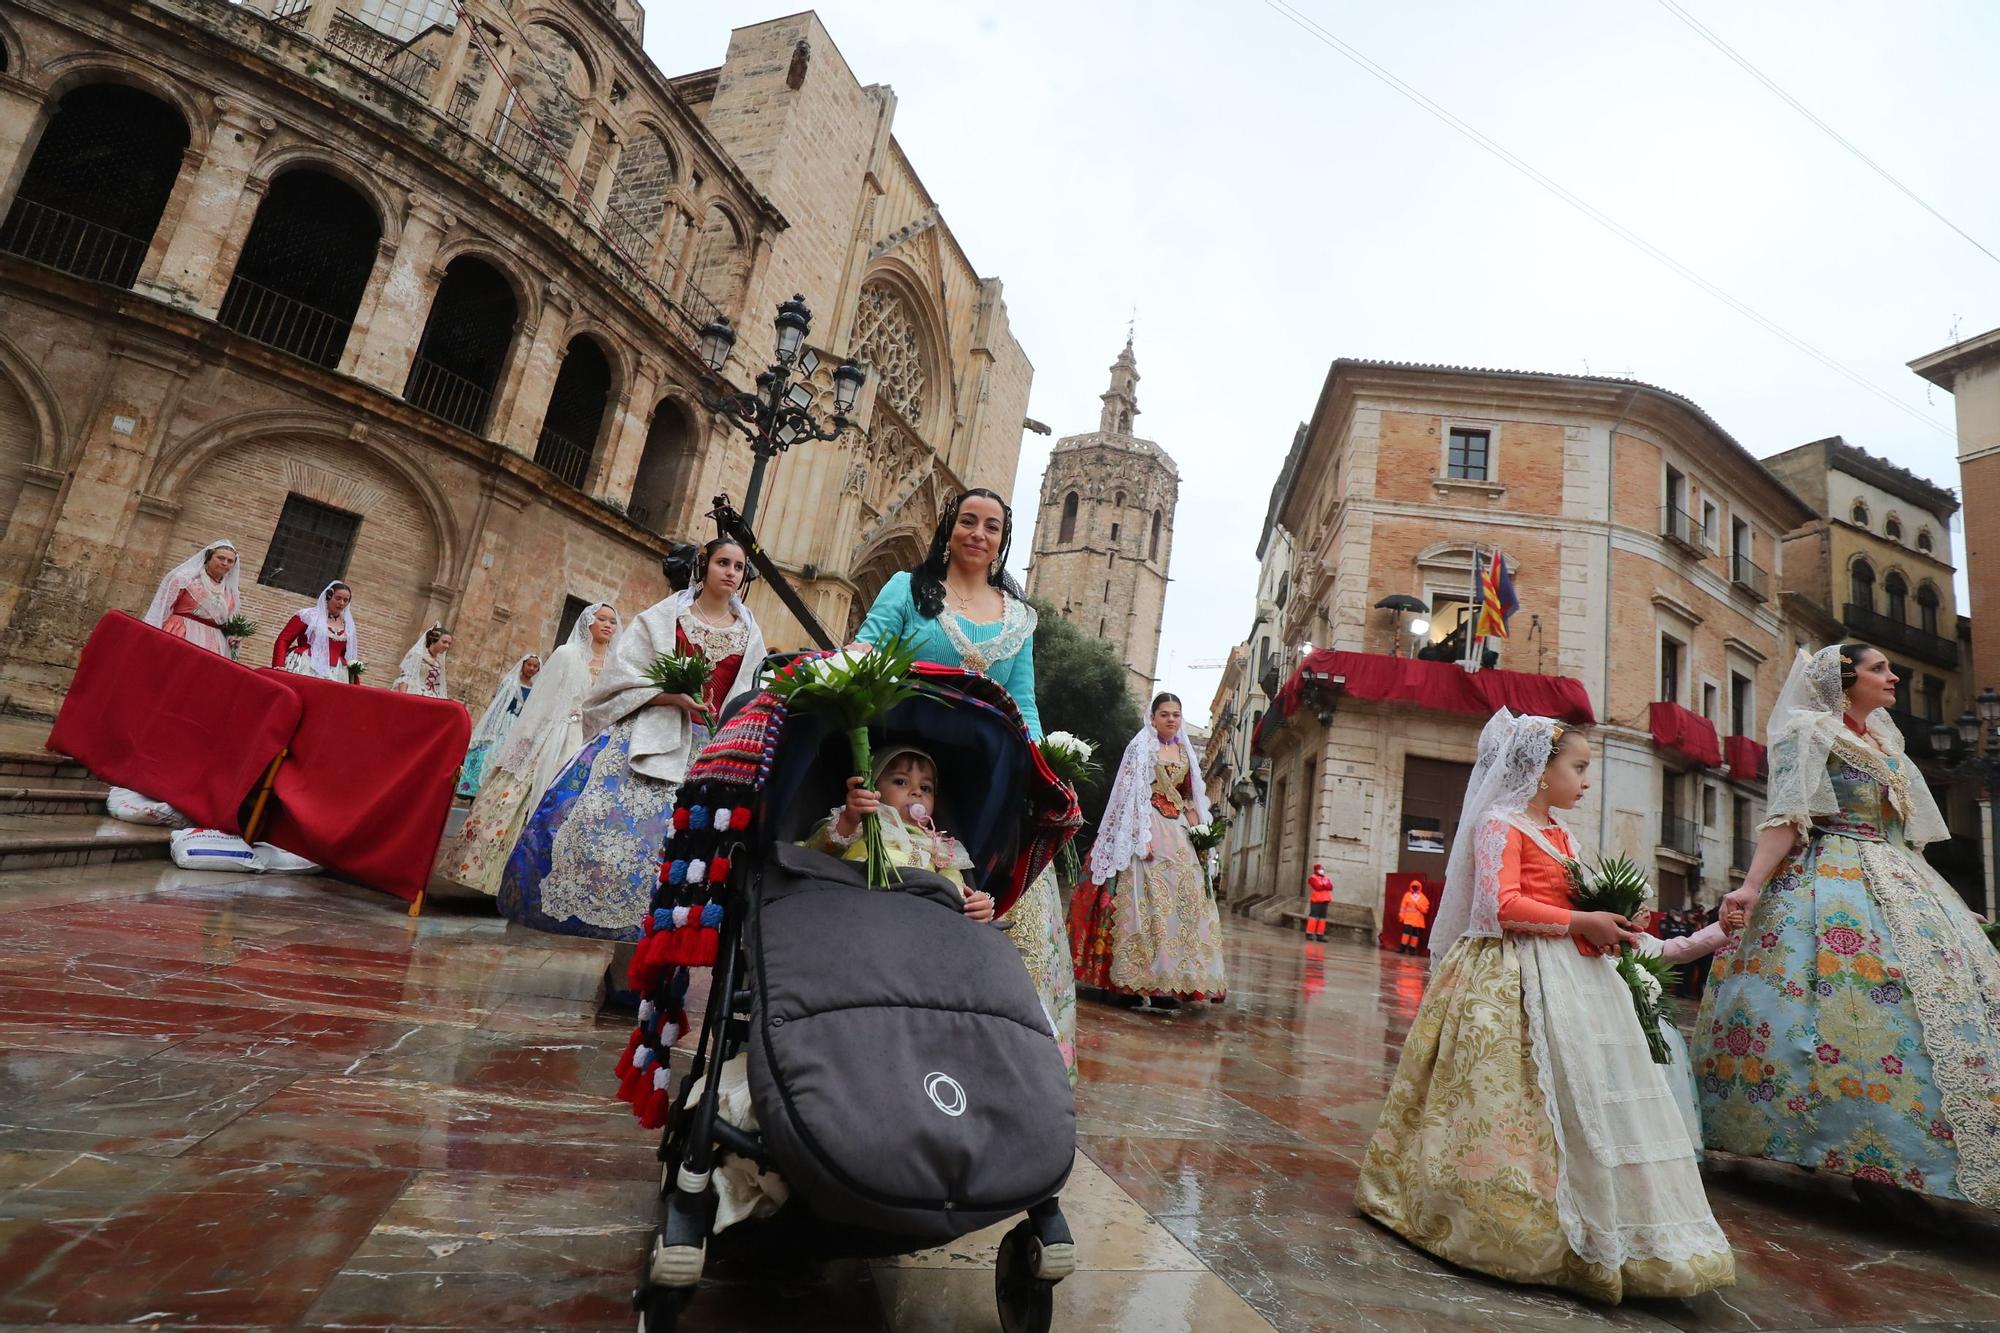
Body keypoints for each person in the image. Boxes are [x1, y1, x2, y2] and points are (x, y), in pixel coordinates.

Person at [1356, 710, 1735, 1303]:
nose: (1586, 781)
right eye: (1579, 768)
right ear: (1539, 772)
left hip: (1576, 977)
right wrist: (1581, 919)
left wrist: (1679, 930)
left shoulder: (1562, 836)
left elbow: (1578, 904)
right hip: (1509, 974)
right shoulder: (1499, 825)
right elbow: (1499, 905)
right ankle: (1510, 1220)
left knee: (1584, 1098)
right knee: (1510, 1094)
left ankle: (1613, 1226)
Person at [1700, 643, 2000, 1210]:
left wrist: (1950, 905)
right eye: (1879, 669)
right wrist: (1750, 886)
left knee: (1920, 1015)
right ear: (1845, 680)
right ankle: (1861, 1156)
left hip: (1898, 875)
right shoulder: (1809, 732)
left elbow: (1905, 835)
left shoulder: (1886, 742)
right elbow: (1788, 816)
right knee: (1849, 1010)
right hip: (1828, 877)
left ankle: (1917, 1158)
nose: (1894, 676)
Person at [849, 488, 1076, 1078]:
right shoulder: (907, 587)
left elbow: (1022, 702)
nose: (979, 533)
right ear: (949, 528)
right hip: (901, 762)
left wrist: (1042, 768)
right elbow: (866, 649)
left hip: (979, 782)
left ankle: (1001, 1051)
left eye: (992, 526)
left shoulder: (1019, 616)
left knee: (995, 894)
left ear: (1004, 539)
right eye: (968, 522)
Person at [501, 540, 765, 942]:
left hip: (710, 754)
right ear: (704, 566)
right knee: (622, 848)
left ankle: (649, 970)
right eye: (722, 563)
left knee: (684, 863)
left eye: (739, 567)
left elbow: (752, 695)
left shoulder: (750, 633)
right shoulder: (663, 619)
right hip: (648, 738)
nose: (731, 572)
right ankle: (622, 960)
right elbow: (619, 679)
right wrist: (668, 696)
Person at [435, 604, 617, 896]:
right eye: (603, 619)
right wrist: (526, 740)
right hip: (553, 736)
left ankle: (544, 886)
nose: (609, 625)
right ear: (588, 622)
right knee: (520, 797)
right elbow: (541, 701)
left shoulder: (613, 664)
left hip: (587, 742)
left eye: (613, 621)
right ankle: (496, 876)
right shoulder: (567, 655)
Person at [1071, 693, 1229, 1010]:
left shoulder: (1185, 750)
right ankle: (1126, 982)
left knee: (1182, 900)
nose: (1171, 719)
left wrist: (1197, 826)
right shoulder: (1141, 747)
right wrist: (1137, 834)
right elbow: (1128, 792)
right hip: (1143, 822)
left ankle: (1168, 983)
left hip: (1178, 829)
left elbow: (1188, 793)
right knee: (1141, 901)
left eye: (1176, 714)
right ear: (1153, 717)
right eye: (1165, 714)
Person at [803, 746, 997, 921]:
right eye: (901, 781)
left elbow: (954, 889)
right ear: (873, 789)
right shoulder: (862, 820)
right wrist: (848, 820)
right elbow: (817, 853)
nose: (916, 792)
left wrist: (977, 906)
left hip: (920, 911)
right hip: (858, 896)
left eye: (925, 788)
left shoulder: (938, 845)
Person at [142, 539, 242, 658]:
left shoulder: (230, 593)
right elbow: (163, 609)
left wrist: (234, 636)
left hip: (213, 643)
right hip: (180, 633)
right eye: (220, 558)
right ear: (209, 557)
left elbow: (229, 623)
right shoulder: (185, 580)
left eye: (230, 561)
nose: (225, 563)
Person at [459, 653, 540, 798]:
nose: (531, 668)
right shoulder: (510, 682)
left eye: (535, 666)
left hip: (518, 725)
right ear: (523, 665)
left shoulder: (534, 689)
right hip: (502, 722)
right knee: (491, 751)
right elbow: (498, 705)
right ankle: (474, 790)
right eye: (529, 664)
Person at [273, 581, 358, 681]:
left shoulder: (348, 626)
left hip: (336, 673)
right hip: (304, 665)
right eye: (338, 598)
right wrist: (279, 664)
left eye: (345, 600)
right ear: (329, 596)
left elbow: (347, 655)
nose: (341, 603)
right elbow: (284, 639)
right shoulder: (308, 615)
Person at [392, 624, 453, 697]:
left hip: (431, 696)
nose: (447, 646)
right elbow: (405, 678)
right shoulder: (418, 655)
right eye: (444, 642)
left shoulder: (439, 662)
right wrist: (402, 698)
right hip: (413, 693)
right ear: (434, 640)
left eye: (449, 643)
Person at [1396, 878, 1430, 955]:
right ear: (1411, 886)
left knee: (1415, 934)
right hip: (1408, 918)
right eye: (1413, 886)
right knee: (1406, 932)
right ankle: (1403, 948)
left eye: (1416, 886)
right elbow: (1403, 907)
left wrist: (1418, 906)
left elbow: (1425, 909)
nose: (1415, 888)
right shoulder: (1407, 895)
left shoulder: (1423, 898)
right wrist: (1401, 915)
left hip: (1417, 919)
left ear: (1419, 887)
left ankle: (1412, 949)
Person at [1305, 863, 1333, 938]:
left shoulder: (1326, 878)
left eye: (1322, 869)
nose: (1322, 871)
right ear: (1316, 870)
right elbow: (1317, 887)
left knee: (1322, 918)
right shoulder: (1312, 878)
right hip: (1316, 900)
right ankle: (1309, 934)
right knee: (1313, 917)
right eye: (1320, 869)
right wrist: (1325, 885)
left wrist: (1323, 885)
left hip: (1325, 900)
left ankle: (1320, 935)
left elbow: (1330, 887)